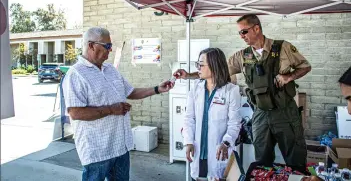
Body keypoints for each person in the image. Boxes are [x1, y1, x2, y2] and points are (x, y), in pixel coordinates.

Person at [175, 14, 311, 170]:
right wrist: (189, 75)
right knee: (261, 162)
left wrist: (289, 77)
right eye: (239, 33)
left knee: (295, 158)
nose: (241, 36)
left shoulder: (283, 48)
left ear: (257, 28)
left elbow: (305, 66)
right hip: (260, 113)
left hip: (285, 112)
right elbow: (216, 70)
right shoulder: (242, 56)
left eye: (244, 32)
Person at [62, 27, 174, 181]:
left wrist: (157, 89)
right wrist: (111, 109)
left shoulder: (110, 70)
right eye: (107, 46)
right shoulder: (76, 74)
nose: (110, 50)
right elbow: (75, 113)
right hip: (97, 151)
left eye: (111, 46)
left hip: (120, 147)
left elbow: (130, 92)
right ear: (91, 45)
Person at [182, 48, 242, 180]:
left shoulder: (231, 90)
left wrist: (226, 143)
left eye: (201, 64)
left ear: (215, 66)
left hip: (219, 152)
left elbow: (234, 123)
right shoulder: (195, 88)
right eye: (197, 64)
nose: (198, 68)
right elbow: (189, 118)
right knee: (197, 177)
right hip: (198, 151)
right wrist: (188, 142)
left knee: (216, 176)